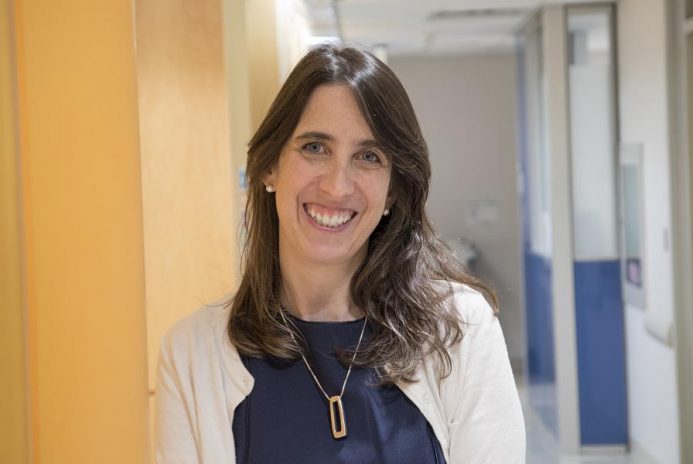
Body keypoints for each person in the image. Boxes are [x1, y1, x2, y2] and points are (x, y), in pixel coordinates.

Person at [156, 44, 525, 464]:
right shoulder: (191, 355)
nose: (336, 186)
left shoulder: (461, 332)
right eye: (315, 147)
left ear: (392, 192)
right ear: (269, 167)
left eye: (368, 157)